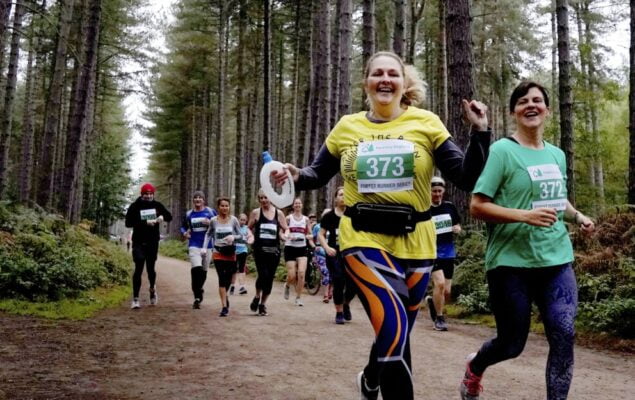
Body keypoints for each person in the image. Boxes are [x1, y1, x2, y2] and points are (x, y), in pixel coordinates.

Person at [273, 51, 490, 400]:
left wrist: (479, 133)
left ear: (404, 84)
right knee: (393, 326)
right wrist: (296, 175)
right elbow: (317, 173)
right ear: (367, 83)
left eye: (393, 73)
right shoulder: (347, 126)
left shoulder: (426, 123)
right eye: (377, 74)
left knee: (397, 332)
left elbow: (466, 177)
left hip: (418, 241)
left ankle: (370, 380)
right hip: (363, 238)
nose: (385, 79)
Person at [460, 81, 595, 400]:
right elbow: (477, 206)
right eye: (523, 101)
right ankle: (475, 368)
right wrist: (524, 216)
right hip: (511, 264)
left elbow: (557, 199)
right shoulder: (502, 152)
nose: (531, 105)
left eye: (537, 100)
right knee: (511, 344)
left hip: (556, 261)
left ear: (547, 110)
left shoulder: (556, 155)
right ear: (514, 112)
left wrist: (578, 217)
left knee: (563, 333)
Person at [125, 183, 173, 309]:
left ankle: (152, 288)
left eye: (151, 194)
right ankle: (135, 298)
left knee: (151, 268)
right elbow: (128, 222)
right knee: (139, 267)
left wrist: (162, 217)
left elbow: (170, 217)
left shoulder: (157, 206)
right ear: (142, 194)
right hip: (139, 242)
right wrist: (144, 222)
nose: (148, 196)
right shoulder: (135, 206)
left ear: (153, 194)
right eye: (146, 194)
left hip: (152, 242)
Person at [425, 176, 461, 331]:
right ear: (429, 191)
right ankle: (439, 319)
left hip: (448, 252)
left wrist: (457, 228)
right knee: (439, 284)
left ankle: (432, 302)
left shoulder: (449, 207)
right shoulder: (425, 209)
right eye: (434, 191)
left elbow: (457, 223)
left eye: (440, 191)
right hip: (432, 252)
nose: (437, 194)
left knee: (446, 291)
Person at [247, 190, 289, 316]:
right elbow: (248, 228)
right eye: (261, 198)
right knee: (263, 274)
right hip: (260, 250)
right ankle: (256, 295)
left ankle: (262, 304)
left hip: (274, 251)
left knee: (269, 278)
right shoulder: (256, 213)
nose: (264, 200)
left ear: (270, 198)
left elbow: (286, 228)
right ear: (258, 200)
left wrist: (284, 235)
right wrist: (251, 237)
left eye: (266, 197)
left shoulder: (278, 213)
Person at [318, 187, 355, 324]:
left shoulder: (353, 214)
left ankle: (346, 303)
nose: (343, 197)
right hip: (335, 254)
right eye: (340, 195)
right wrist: (327, 247)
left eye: (346, 194)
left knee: (354, 284)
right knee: (338, 281)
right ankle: (339, 312)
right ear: (335, 199)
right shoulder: (329, 216)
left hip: (351, 254)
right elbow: (320, 234)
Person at [202, 197, 242, 317]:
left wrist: (233, 237)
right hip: (218, 253)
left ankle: (225, 296)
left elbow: (241, 235)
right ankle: (224, 307)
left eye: (227, 206)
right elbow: (208, 234)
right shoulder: (214, 220)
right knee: (222, 279)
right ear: (218, 207)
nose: (225, 208)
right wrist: (204, 247)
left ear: (229, 207)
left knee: (229, 279)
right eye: (222, 206)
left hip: (230, 253)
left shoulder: (234, 220)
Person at [180, 191, 217, 309]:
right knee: (196, 268)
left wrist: (210, 222)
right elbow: (183, 227)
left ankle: (199, 288)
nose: (197, 200)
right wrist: (185, 233)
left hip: (207, 245)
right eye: (195, 198)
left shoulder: (210, 212)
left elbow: (219, 224)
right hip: (194, 244)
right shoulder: (189, 214)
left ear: (203, 200)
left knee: (204, 271)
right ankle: (197, 296)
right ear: (193, 200)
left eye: (200, 198)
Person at [283, 198, 313, 306]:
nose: (297, 205)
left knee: (301, 273)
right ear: (293, 206)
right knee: (292, 276)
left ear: (302, 205)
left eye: (299, 203)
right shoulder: (288, 218)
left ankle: (298, 298)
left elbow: (310, 234)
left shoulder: (305, 219)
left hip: (302, 248)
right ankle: (287, 285)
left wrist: (307, 236)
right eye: (296, 203)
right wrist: (287, 236)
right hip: (290, 247)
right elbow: (282, 232)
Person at [231, 213, 254, 295]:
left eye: (244, 220)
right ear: (238, 220)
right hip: (234, 251)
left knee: (241, 269)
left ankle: (242, 287)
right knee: (233, 269)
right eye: (241, 220)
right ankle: (232, 286)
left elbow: (250, 235)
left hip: (243, 251)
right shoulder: (234, 228)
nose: (242, 222)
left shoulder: (246, 228)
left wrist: (249, 238)